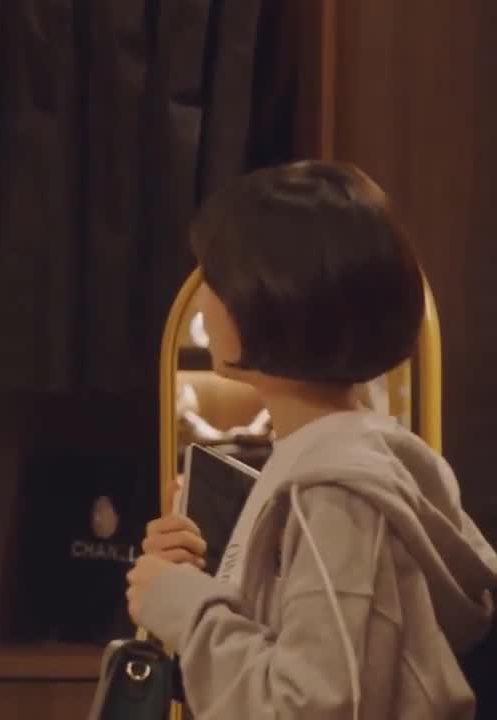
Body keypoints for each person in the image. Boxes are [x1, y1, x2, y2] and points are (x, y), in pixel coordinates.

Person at [126, 161, 497, 718]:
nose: (202, 306)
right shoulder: (367, 459)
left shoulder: (334, 492)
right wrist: (195, 579)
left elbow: (314, 705)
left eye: (215, 282)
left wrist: (184, 605)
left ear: (272, 297)